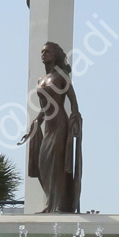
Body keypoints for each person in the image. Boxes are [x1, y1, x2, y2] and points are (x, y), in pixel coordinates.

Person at [18, 42, 82, 213]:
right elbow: (43, 107)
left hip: (60, 124)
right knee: (44, 164)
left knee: (56, 165)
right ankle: (50, 203)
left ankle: (58, 205)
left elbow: (73, 100)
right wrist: (36, 122)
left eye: (47, 52)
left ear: (55, 55)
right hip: (48, 125)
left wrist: (75, 120)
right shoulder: (41, 79)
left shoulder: (61, 76)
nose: (43, 54)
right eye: (42, 52)